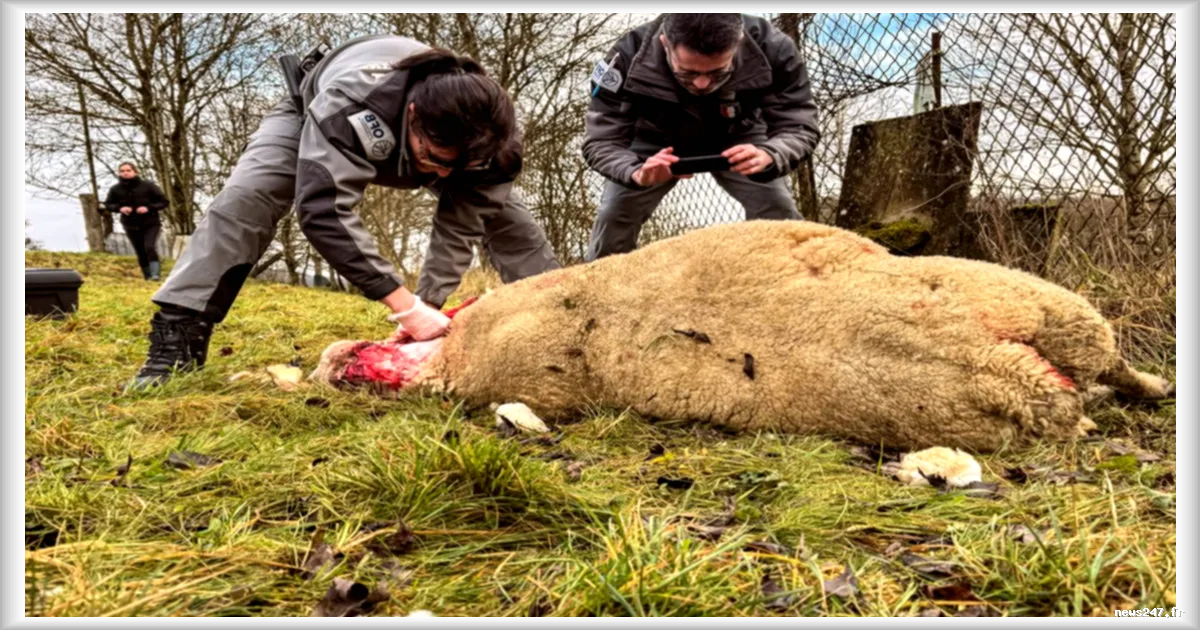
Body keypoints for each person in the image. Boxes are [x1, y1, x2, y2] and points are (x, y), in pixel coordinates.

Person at [127, 35, 560, 391]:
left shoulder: (492, 144)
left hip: (436, 140)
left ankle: (563, 328)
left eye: (454, 168)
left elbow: (459, 226)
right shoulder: (351, 105)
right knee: (249, 197)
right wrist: (403, 306)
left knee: (511, 223)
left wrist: (428, 304)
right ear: (413, 115)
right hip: (310, 113)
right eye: (434, 158)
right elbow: (325, 212)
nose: (440, 175)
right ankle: (177, 335)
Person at [582, 13, 821, 261]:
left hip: (740, 135)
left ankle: (788, 283)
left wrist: (772, 154)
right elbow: (601, 140)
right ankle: (594, 290)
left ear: (738, 42)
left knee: (777, 205)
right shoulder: (625, 58)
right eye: (687, 72)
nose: (702, 83)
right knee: (615, 213)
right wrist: (634, 172)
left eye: (718, 72)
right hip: (653, 142)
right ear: (665, 43)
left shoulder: (775, 49)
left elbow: (798, 123)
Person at [103, 162, 169, 281]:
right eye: (122, 171)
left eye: (128, 170)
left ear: (135, 172)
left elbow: (163, 202)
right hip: (130, 224)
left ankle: (156, 274)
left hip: (151, 223)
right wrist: (120, 208)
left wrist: (148, 208)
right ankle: (147, 276)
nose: (125, 173)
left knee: (149, 246)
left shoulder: (148, 186)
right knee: (140, 250)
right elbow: (108, 204)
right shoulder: (115, 189)